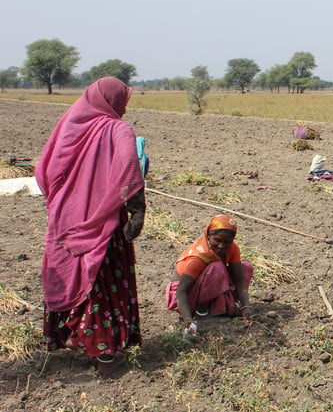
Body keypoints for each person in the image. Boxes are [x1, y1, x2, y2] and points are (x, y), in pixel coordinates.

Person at [35, 77, 146, 377]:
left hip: (65, 219)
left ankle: (72, 336)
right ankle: (106, 356)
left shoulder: (70, 123)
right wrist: (137, 209)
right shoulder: (118, 129)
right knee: (98, 280)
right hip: (102, 221)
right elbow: (127, 170)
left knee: (72, 274)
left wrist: (69, 199)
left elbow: (44, 170)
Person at [165, 215, 253, 338]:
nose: (221, 246)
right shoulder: (199, 255)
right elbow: (181, 291)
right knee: (217, 269)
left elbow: (240, 280)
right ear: (208, 236)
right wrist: (189, 323)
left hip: (207, 285)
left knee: (246, 268)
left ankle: (220, 307)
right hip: (185, 297)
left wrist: (245, 306)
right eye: (217, 240)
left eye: (227, 242)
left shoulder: (232, 249)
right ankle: (201, 313)